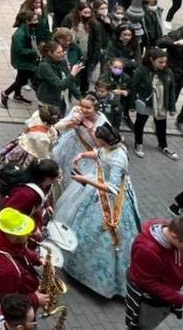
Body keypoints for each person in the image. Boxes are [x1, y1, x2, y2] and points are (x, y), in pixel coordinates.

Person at [51, 123, 142, 298]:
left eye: (98, 141)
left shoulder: (118, 158)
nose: (96, 143)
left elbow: (112, 188)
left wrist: (85, 179)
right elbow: (100, 154)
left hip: (109, 198)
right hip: (96, 185)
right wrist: (84, 154)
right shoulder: (112, 147)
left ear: (106, 140)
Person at [124, 216, 183, 330]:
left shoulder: (172, 230)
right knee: (142, 326)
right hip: (149, 300)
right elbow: (148, 284)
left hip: (166, 293)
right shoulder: (147, 251)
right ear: (175, 236)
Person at [0, 207, 46, 308]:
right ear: (14, 236)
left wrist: (38, 259)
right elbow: (8, 303)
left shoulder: (9, 240)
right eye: (24, 233)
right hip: (21, 310)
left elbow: (22, 250)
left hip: (26, 295)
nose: (28, 234)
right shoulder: (7, 269)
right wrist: (35, 299)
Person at [130, 48, 179, 161]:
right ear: (151, 60)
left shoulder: (168, 72)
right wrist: (132, 104)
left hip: (161, 103)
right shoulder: (142, 70)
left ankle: (163, 146)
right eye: (160, 62)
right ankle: (138, 143)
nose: (163, 64)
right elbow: (134, 87)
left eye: (165, 62)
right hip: (146, 102)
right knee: (140, 123)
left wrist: (172, 107)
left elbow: (171, 90)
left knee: (161, 125)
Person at [2, 10, 40, 105]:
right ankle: (5, 93)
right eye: (34, 20)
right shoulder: (20, 34)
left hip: (26, 60)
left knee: (20, 78)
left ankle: (17, 95)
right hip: (22, 62)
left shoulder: (28, 30)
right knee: (22, 80)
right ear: (27, 21)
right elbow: (20, 50)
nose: (37, 22)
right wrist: (35, 52)